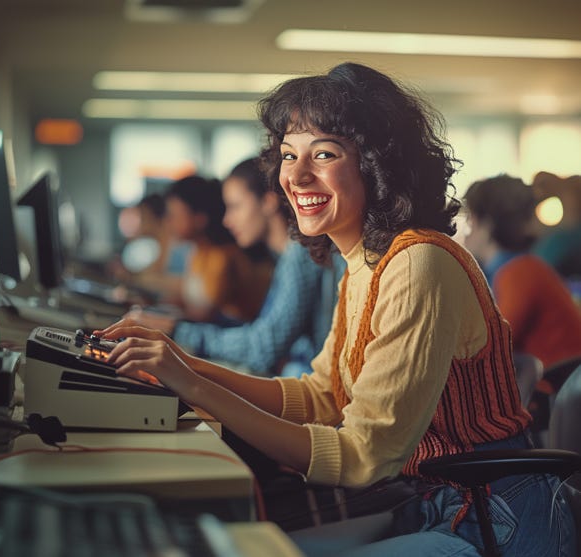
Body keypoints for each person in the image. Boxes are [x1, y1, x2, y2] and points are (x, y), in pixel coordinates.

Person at [96, 62, 575, 556]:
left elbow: (362, 457)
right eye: (288, 155)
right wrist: (186, 365)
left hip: (496, 522)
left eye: (323, 153)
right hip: (437, 506)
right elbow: (321, 396)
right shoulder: (363, 264)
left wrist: (193, 384)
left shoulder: (419, 264)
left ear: (377, 165)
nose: (296, 175)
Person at [126, 157, 345, 377]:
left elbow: (264, 347)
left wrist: (176, 330)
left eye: (235, 207)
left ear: (268, 202)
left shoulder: (300, 251)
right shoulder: (283, 255)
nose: (227, 220)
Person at [462, 173, 581, 369]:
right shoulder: (523, 267)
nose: (467, 233)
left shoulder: (518, 273)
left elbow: (490, 346)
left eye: (470, 220)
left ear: (487, 225)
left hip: (551, 392)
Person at [161, 174, 274, 326]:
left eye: (174, 215)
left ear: (199, 218)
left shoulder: (223, 255)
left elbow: (208, 314)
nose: (169, 222)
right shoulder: (198, 251)